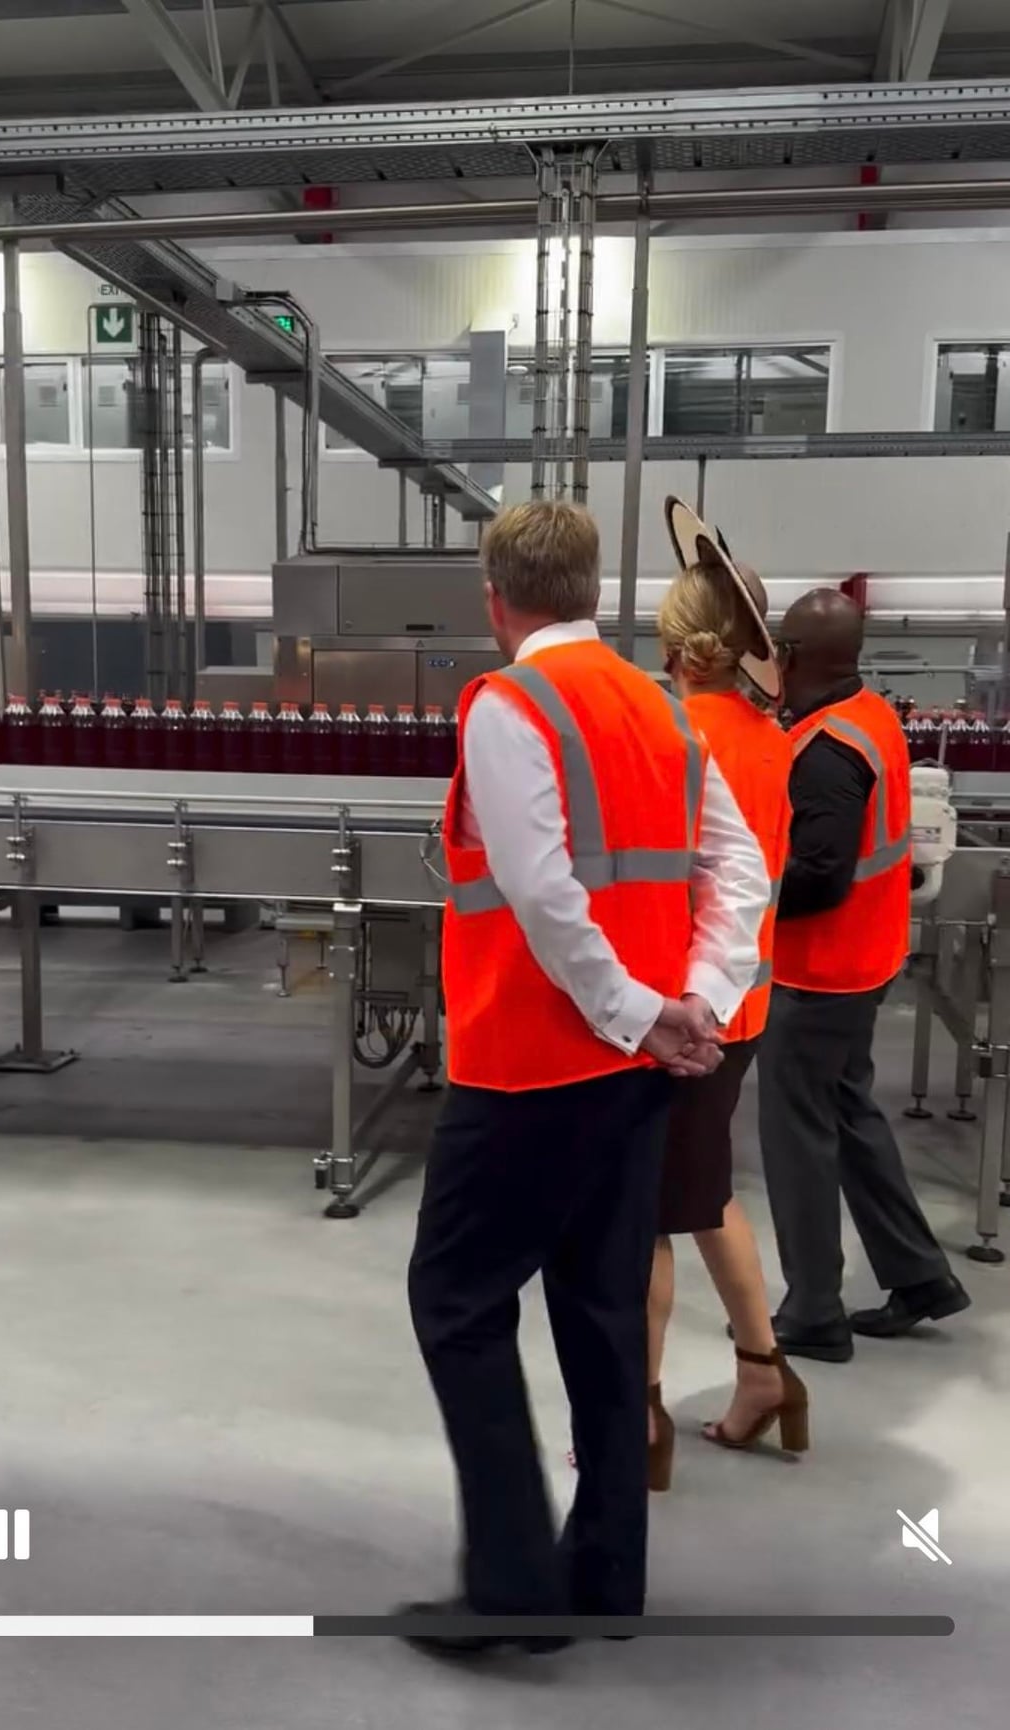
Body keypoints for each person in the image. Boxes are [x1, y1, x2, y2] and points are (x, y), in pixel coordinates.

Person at [404, 499, 769, 1656]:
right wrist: (697, 1001)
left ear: (494, 598)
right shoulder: (661, 709)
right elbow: (740, 867)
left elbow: (540, 888)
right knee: (603, 1313)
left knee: (456, 1300)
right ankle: (605, 1575)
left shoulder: (509, 704)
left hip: (528, 1065)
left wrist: (640, 1013)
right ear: (596, 591)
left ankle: (513, 1582)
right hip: (634, 1076)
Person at [759, 588, 971, 1364]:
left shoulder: (825, 752)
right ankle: (919, 1276)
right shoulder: (870, 715)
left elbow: (819, 876)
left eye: (778, 647)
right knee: (849, 1119)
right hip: (864, 962)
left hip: (818, 975)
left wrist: (740, 898)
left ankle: (813, 1310)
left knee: (798, 1141)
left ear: (795, 657)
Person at [646, 499, 807, 1492]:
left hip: (677, 1015)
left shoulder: (669, 737)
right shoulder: (771, 735)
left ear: (673, 647)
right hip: (744, 1003)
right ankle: (764, 1372)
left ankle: (637, 1418)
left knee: (646, 1218)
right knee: (705, 1193)